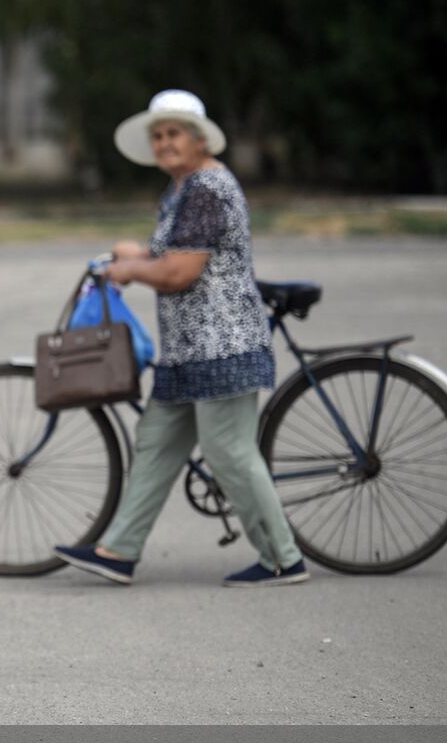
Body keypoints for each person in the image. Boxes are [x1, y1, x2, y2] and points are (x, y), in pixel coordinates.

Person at [55, 89, 307, 588]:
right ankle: (119, 550)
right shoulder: (182, 189)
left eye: (174, 134)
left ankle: (283, 559)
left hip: (223, 346)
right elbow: (172, 252)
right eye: (158, 136)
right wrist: (134, 254)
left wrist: (132, 269)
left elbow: (179, 272)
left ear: (199, 140)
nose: (165, 143)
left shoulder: (207, 188)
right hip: (188, 352)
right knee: (156, 442)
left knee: (229, 451)